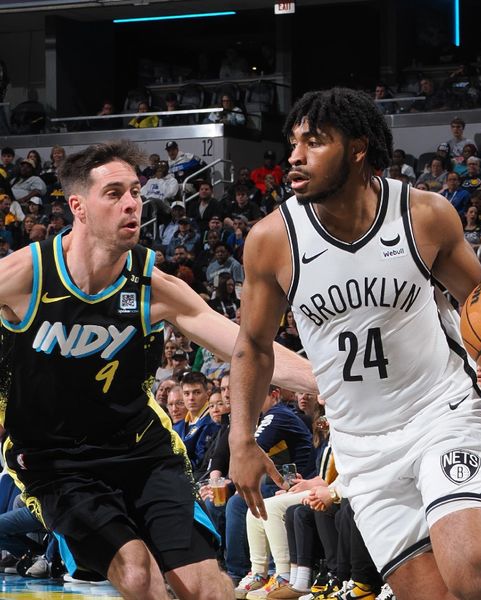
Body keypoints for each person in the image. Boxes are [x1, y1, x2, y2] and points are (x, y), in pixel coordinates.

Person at [227, 88, 481, 600]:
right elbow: (253, 347)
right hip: (361, 448)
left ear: (358, 148)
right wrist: (241, 439)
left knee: (475, 574)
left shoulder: (423, 215)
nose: (295, 156)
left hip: (440, 416)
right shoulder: (272, 240)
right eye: (294, 142)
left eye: (315, 142)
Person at [0, 141, 316, 599]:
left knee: (207, 587)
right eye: (114, 194)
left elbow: (246, 347)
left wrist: (331, 383)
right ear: (78, 207)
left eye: (135, 191)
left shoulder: (153, 285)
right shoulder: (24, 277)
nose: (132, 203)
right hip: (55, 460)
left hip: (141, 451)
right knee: (137, 574)